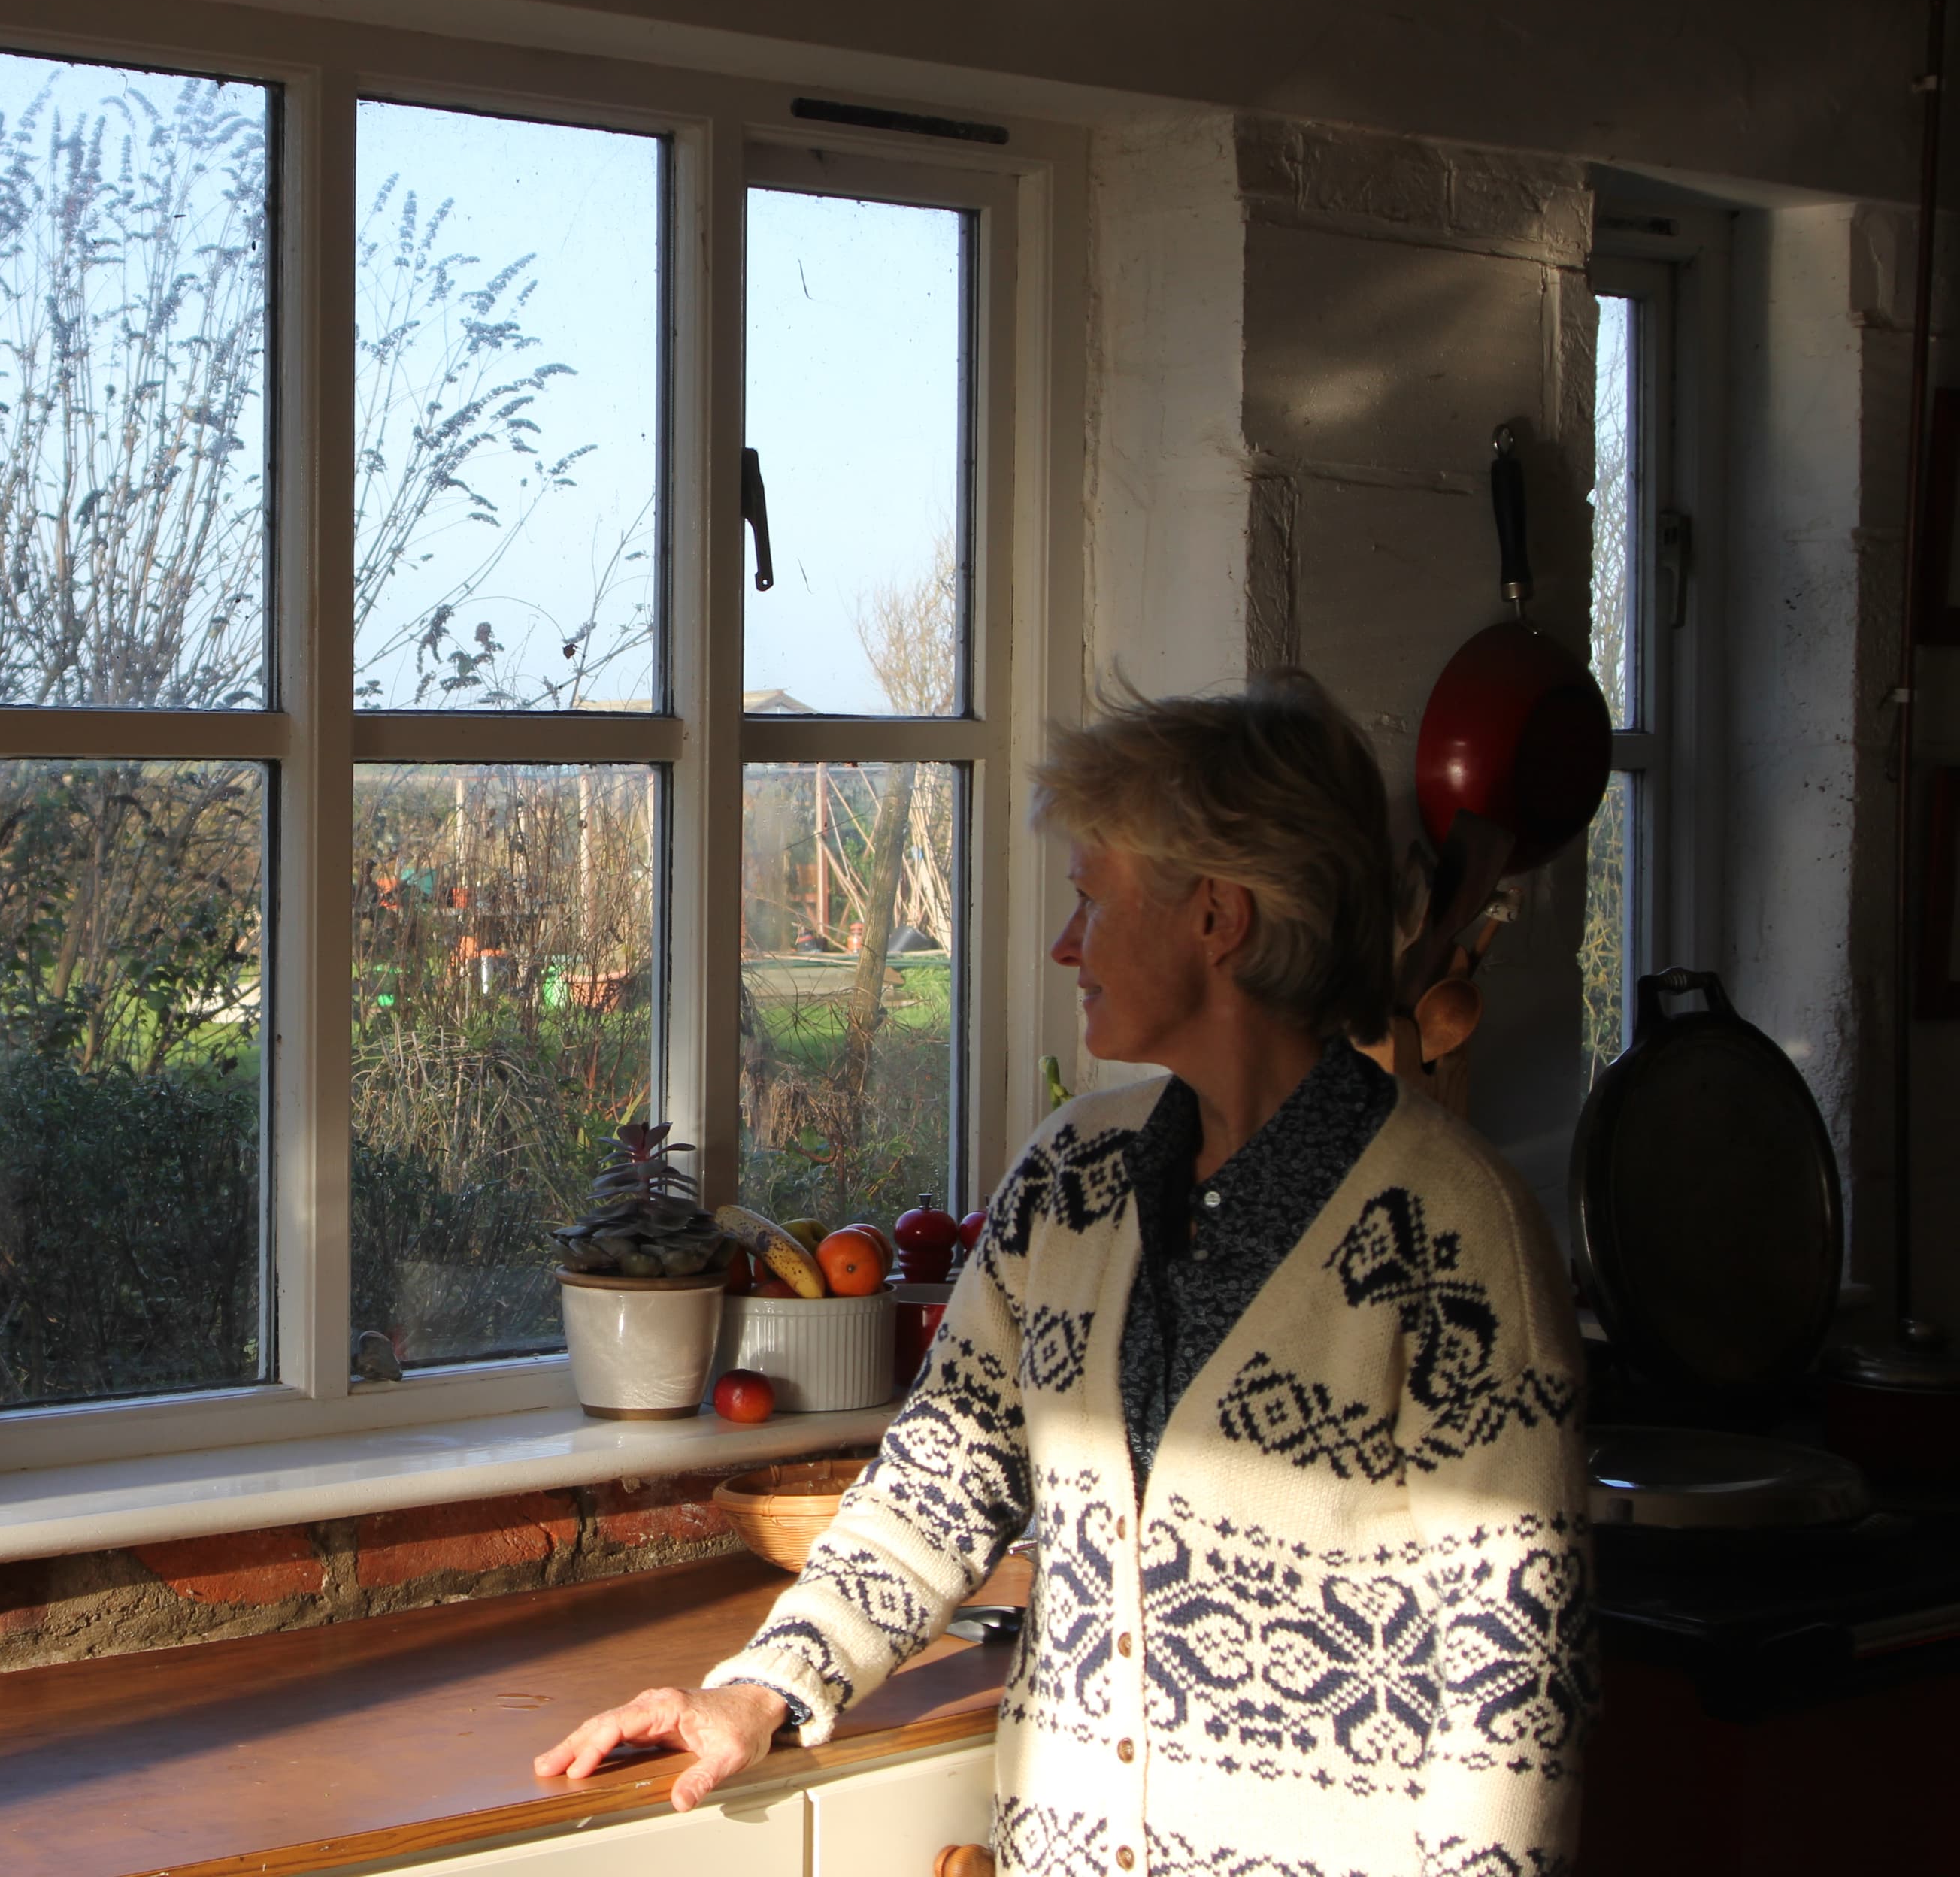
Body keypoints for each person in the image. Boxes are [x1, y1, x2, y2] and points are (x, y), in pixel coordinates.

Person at [535, 672, 1592, 1877]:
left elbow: (1516, 1694)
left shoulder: (1456, 1232)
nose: (1063, 940)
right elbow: (942, 1480)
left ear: (1218, 918)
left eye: (1093, 899)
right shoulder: (1070, 1175)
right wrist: (765, 1687)